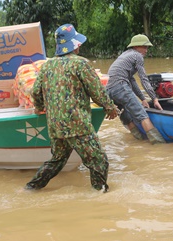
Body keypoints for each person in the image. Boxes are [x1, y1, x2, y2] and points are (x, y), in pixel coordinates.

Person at [26, 24, 119, 192]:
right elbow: (96, 90)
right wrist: (110, 107)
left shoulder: (46, 66)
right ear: (74, 44)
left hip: (56, 125)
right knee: (99, 160)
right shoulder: (80, 64)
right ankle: (100, 195)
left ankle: (30, 188)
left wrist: (39, 108)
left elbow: (35, 92)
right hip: (77, 123)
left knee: (57, 161)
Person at [106, 34, 166, 144]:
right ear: (136, 46)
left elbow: (132, 81)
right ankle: (158, 145)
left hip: (108, 90)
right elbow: (143, 79)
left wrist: (143, 98)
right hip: (120, 86)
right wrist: (155, 99)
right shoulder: (137, 56)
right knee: (142, 115)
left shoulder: (125, 55)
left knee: (126, 117)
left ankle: (139, 140)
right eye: (145, 47)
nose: (146, 50)